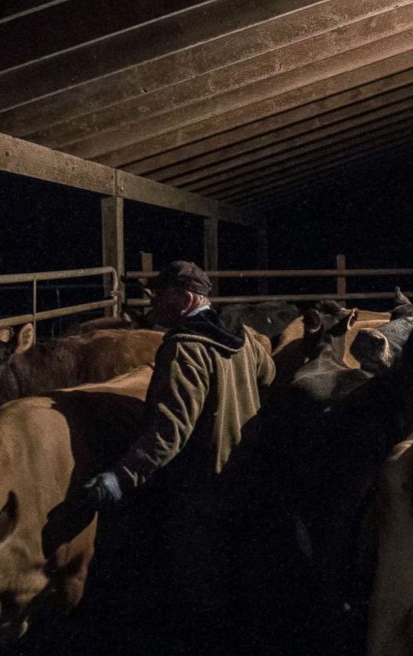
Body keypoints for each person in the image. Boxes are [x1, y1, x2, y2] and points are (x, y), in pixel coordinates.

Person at [78, 260, 275, 652]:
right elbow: (268, 376)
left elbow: (170, 431)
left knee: (199, 586)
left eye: (160, 296)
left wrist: (120, 477)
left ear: (185, 299)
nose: (151, 304)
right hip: (243, 477)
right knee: (240, 575)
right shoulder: (246, 338)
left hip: (201, 490)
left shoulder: (186, 349)